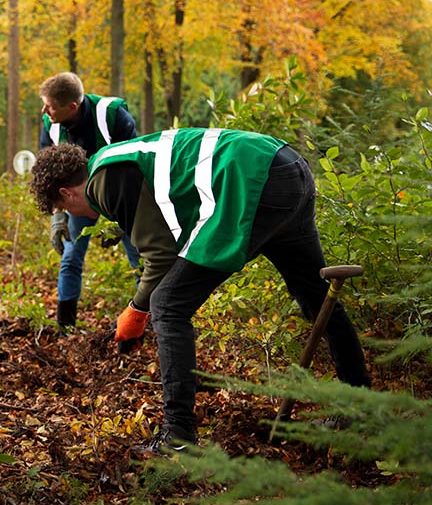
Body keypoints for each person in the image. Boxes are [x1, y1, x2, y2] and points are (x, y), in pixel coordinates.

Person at [29, 128, 371, 457]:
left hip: (251, 180)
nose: (73, 216)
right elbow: (174, 236)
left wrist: (136, 311)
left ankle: (178, 435)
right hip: (286, 166)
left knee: (167, 305)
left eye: (64, 211)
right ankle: (360, 406)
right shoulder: (114, 160)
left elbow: (160, 255)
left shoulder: (105, 179)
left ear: (65, 193)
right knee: (314, 294)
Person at [38, 72, 141, 327]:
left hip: (120, 197)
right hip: (77, 201)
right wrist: (57, 215)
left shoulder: (113, 116)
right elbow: (47, 172)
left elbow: (133, 168)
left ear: (71, 106)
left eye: (50, 105)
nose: (44, 110)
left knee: (139, 257)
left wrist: (119, 219)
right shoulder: (50, 124)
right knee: (71, 256)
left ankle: (147, 321)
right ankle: (66, 327)